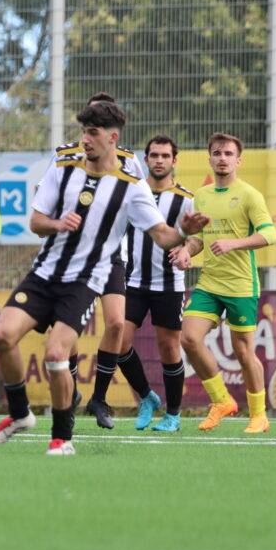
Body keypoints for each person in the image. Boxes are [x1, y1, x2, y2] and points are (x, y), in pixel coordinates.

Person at [0, 102, 208, 455]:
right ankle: (19, 414)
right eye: (83, 132)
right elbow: (36, 222)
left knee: (56, 353)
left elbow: (163, 236)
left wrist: (183, 231)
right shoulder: (63, 167)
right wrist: (58, 223)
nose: (85, 140)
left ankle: (62, 438)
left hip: (85, 280)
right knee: (2, 335)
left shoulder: (131, 186)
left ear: (112, 138)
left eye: (93, 133)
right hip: (44, 273)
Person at [50, 92, 147, 430]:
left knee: (117, 324)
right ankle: (71, 390)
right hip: (73, 256)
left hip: (112, 255)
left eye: (100, 122)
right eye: (88, 121)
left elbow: (140, 207)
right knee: (69, 325)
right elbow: (47, 198)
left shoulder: (129, 161)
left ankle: (99, 398)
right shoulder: (64, 157)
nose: (92, 129)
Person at [180, 132, 276, 434]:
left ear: (238, 160)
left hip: (241, 286)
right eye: (217, 153)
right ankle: (221, 400)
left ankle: (259, 415)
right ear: (209, 159)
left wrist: (234, 243)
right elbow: (198, 239)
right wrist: (185, 251)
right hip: (209, 284)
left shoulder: (249, 195)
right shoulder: (201, 196)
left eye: (228, 154)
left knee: (244, 352)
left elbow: (269, 234)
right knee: (189, 338)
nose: (222, 158)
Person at [116, 135, 194, 432]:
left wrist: (187, 250)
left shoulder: (186, 199)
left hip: (169, 285)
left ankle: (173, 415)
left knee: (169, 349)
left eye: (165, 156)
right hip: (132, 282)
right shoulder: (132, 193)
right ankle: (147, 396)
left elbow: (196, 238)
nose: (159, 160)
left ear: (174, 161)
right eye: (154, 155)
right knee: (118, 343)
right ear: (146, 159)